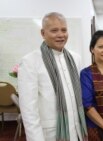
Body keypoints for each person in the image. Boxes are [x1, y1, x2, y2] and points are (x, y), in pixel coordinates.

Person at [18, 12, 88, 141]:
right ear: (43, 33)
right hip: (51, 133)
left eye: (64, 30)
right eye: (54, 30)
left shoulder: (75, 58)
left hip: (77, 131)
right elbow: (29, 110)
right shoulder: (30, 61)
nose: (60, 35)